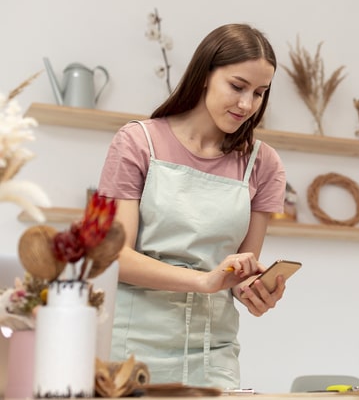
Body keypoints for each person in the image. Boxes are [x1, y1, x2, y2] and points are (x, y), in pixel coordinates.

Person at [97, 23, 287, 388]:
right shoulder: (138, 143)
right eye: (237, 86)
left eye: (260, 93)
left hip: (213, 354)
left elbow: (238, 275)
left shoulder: (263, 164)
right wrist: (205, 281)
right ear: (204, 75)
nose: (247, 104)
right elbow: (114, 256)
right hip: (130, 351)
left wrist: (255, 290)